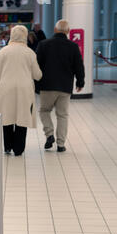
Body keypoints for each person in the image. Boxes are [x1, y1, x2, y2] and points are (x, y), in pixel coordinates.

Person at [0, 25, 43, 156]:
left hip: (5, 89)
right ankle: (18, 149)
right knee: (22, 118)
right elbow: (38, 75)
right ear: (24, 36)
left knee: (6, 117)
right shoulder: (30, 53)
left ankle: (7, 146)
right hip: (24, 90)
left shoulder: (3, 51)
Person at [36, 19, 85, 152]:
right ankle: (61, 144)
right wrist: (80, 82)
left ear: (55, 30)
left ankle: (49, 134)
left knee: (44, 111)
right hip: (65, 86)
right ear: (68, 31)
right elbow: (79, 66)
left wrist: (36, 84)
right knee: (62, 115)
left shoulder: (43, 44)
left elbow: (36, 66)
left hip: (47, 86)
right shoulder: (73, 47)